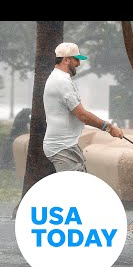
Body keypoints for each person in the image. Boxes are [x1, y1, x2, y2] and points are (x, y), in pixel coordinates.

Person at [43, 42, 124, 173]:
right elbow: (82, 115)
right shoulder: (61, 81)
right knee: (76, 191)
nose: (79, 64)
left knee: (80, 187)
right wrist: (109, 128)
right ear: (66, 59)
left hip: (66, 145)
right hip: (61, 147)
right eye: (76, 60)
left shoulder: (60, 79)